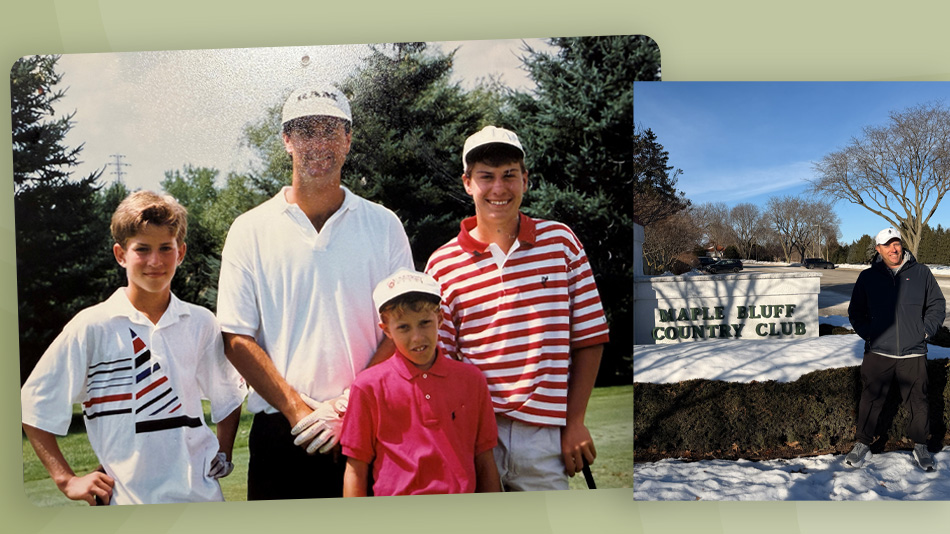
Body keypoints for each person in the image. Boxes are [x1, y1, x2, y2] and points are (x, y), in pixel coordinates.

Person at [216, 84, 413, 500]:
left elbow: (404, 329)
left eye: (331, 130)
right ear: (287, 140)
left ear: (348, 140)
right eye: (306, 131)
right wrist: (298, 410)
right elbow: (235, 338)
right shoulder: (249, 229)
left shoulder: (384, 225)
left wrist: (347, 407)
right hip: (281, 431)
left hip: (370, 425)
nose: (318, 143)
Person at [20, 191, 246, 505]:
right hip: (125, 502)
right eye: (142, 249)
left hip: (201, 499)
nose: (155, 261)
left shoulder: (201, 322)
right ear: (121, 254)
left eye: (165, 248)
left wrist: (224, 450)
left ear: (180, 252)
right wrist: (66, 479)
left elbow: (228, 395)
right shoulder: (91, 325)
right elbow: (33, 403)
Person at [425, 126, 610, 491]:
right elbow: (438, 364)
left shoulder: (560, 242)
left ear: (525, 179)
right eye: (486, 177)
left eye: (509, 175)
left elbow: (589, 337)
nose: (499, 189)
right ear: (467, 183)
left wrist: (575, 422)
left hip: (544, 435)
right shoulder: (442, 264)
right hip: (473, 433)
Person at [339, 268, 500, 496]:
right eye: (403, 327)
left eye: (425, 322)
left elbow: (484, 459)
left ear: (441, 319)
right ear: (386, 330)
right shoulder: (367, 387)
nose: (417, 337)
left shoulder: (472, 381)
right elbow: (356, 468)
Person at [845, 227, 946, 472]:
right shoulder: (868, 277)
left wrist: (924, 331)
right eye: (887, 245)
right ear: (878, 249)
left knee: (918, 401)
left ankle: (921, 445)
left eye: (897, 243)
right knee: (870, 399)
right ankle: (862, 444)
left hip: (913, 352)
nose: (894, 248)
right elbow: (855, 312)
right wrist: (870, 334)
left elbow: (937, 304)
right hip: (879, 353)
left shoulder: (921, 273)